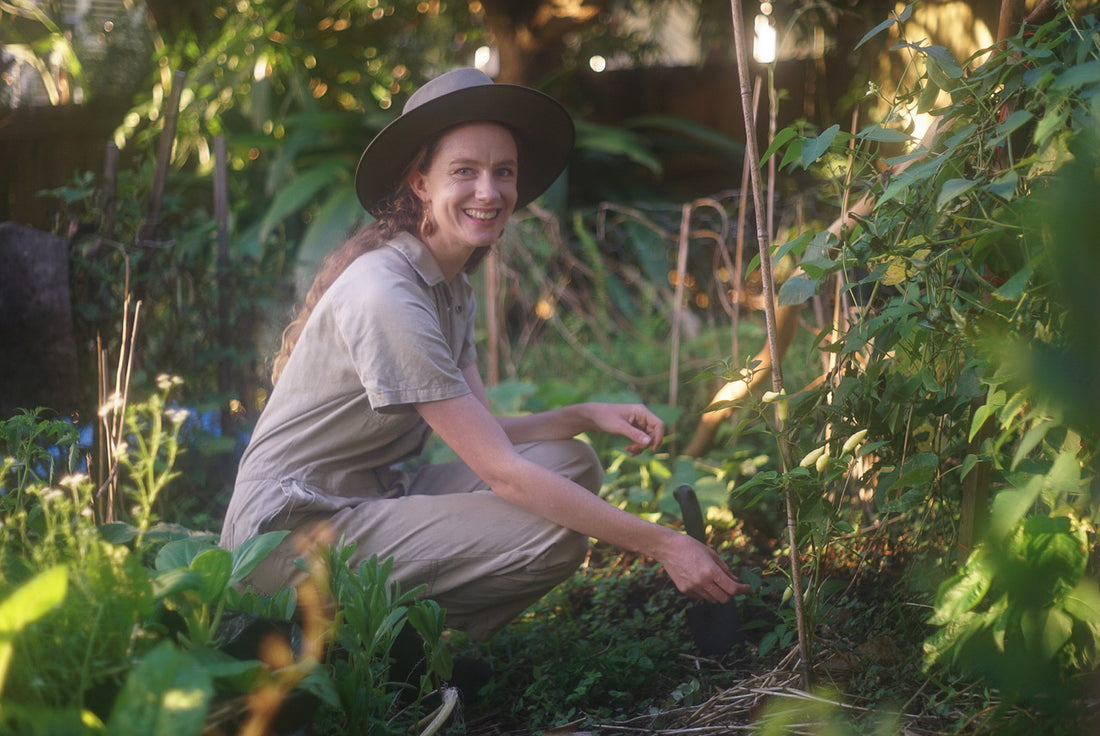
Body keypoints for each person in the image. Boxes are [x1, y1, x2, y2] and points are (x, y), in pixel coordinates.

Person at [219, 67, 748, 641]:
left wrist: (585, 415)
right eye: (464, 172)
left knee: (573, 461)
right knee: (550, 534)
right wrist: (665, 544)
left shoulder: (449, 286)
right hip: (282, 541)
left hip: (363, 503)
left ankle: (395, 639)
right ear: (420, 182)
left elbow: (483, 430)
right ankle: (390, 650)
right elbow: (501, 472)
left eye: (504, 173)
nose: (488, 192)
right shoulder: (386, 293)